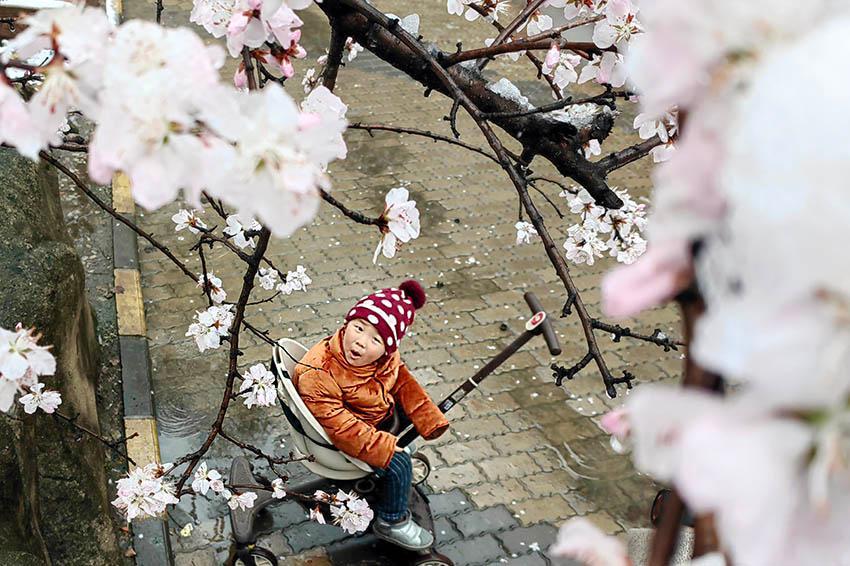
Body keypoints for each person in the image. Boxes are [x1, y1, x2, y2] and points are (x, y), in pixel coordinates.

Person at [292, 279, 449, 551]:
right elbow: (341, 428)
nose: (361, 342)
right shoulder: (321, 372)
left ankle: (392, 477)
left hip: (369, 418)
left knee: (404, 420)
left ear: (387, 348)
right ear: (347, 322)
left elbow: (401, 379)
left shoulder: (383, 360)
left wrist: (428, 417)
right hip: (338, 439)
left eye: (376, 339)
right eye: (359, 327)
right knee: (398, 463)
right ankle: (391, 521)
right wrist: (386, 448)